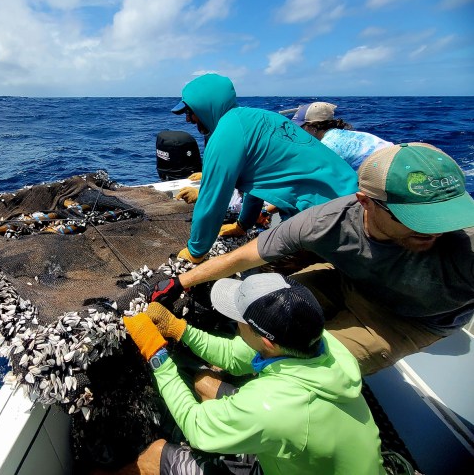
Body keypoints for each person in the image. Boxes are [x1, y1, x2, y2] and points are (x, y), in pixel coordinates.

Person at [152, 142, 474, 375]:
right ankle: (230, 363)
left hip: (406, 321)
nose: (435, 230)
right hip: (348, 281)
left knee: (301, 370)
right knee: (261, 311)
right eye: (413, 218)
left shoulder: (465, 244)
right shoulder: (328, 220)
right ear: (365, 202)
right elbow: (250, 253)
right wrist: (180, 282)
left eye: (442, 216)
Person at [120, 273, 385, 475]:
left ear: (267, 341)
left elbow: (196, 426)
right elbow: (235, 356)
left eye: (240, 319)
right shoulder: (317, 342)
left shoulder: (273, 407)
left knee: (155, 455)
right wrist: (180, 329)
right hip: (306, 451)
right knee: (204, 384)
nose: (236, 323)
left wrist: (157, 356)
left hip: (282, 431)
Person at [170, 74, 358, 262]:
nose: (188, 119)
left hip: (331, 216)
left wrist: (195, 251)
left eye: (189, 112)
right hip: (354, 201)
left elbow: (212, 198)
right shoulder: (260, 117)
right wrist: (243, 225)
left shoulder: (225, 133)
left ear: (204, 106)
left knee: (266, 272)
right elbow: (256, 183)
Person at [291, 102, 393, 170]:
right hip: (396, 159)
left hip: (384, 172)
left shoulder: (325, 148)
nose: (297, 132)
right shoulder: (347, 134)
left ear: (312, 128)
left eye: (300, 128)